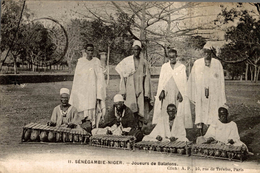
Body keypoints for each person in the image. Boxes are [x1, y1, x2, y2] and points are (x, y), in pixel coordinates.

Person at [115, 40, 153, 127]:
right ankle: (130, 126)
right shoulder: (127, 61)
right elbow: (123, 77)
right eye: (134, 49)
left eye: (138, 49)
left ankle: (139, 127)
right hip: (130, 87)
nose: (136, 51)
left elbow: (147, 77)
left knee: (140, 109)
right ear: (132, 50)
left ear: (140, 50)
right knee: (131, 107)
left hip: (140, 87)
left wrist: (146, 92)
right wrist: (123, 91)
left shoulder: (144, 62)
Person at [187, 52, 226, 135]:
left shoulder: (217, 63)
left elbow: (221, 80)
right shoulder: (197, 63)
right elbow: (192, 79)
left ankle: (211, 132)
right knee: (200, 112)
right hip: (200, 93)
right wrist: (194, 93)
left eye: (209, 53)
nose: (207, 55)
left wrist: (220, 94)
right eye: (205, 53)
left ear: (212, 54)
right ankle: (200, 133)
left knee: (213, 112)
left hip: (213, 93)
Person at [152, 49, 192, 129]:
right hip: (167, 92)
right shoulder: (164, 66)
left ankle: (176, 130)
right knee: (166, 110)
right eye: (170, 57)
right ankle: (165, 130)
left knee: (177, 110)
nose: (172, 58)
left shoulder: (181, 67)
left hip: (177, 92)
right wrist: (162, 90)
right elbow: (162, 81)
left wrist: (181, 92)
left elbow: (183, 82)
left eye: (173, 56)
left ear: (176, 56)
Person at [69, 44, 106, 129]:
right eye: (88, 50)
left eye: (91, 50)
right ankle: (82, 125)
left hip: (92, 89)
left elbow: (100, 77)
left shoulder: (96, 61)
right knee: (82, 107)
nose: (90, 52)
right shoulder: (80, 61)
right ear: (85, 51)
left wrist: (99, 92)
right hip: (82, 90)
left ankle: (92, 126)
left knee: (92, 108)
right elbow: (77, 78)